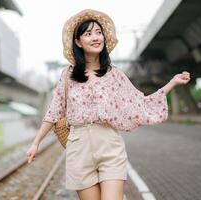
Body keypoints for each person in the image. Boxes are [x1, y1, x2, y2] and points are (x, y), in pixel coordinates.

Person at [26, 9, 190, 200]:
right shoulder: (68, 75)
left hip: (109, 146)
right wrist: (36, 143)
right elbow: (54, 111)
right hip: (79, 149)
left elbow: (141, 103)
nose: (95, 37)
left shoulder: (115, 75)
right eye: (88, 34)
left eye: (98, 32)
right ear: (78, 42)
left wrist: (172, 83)